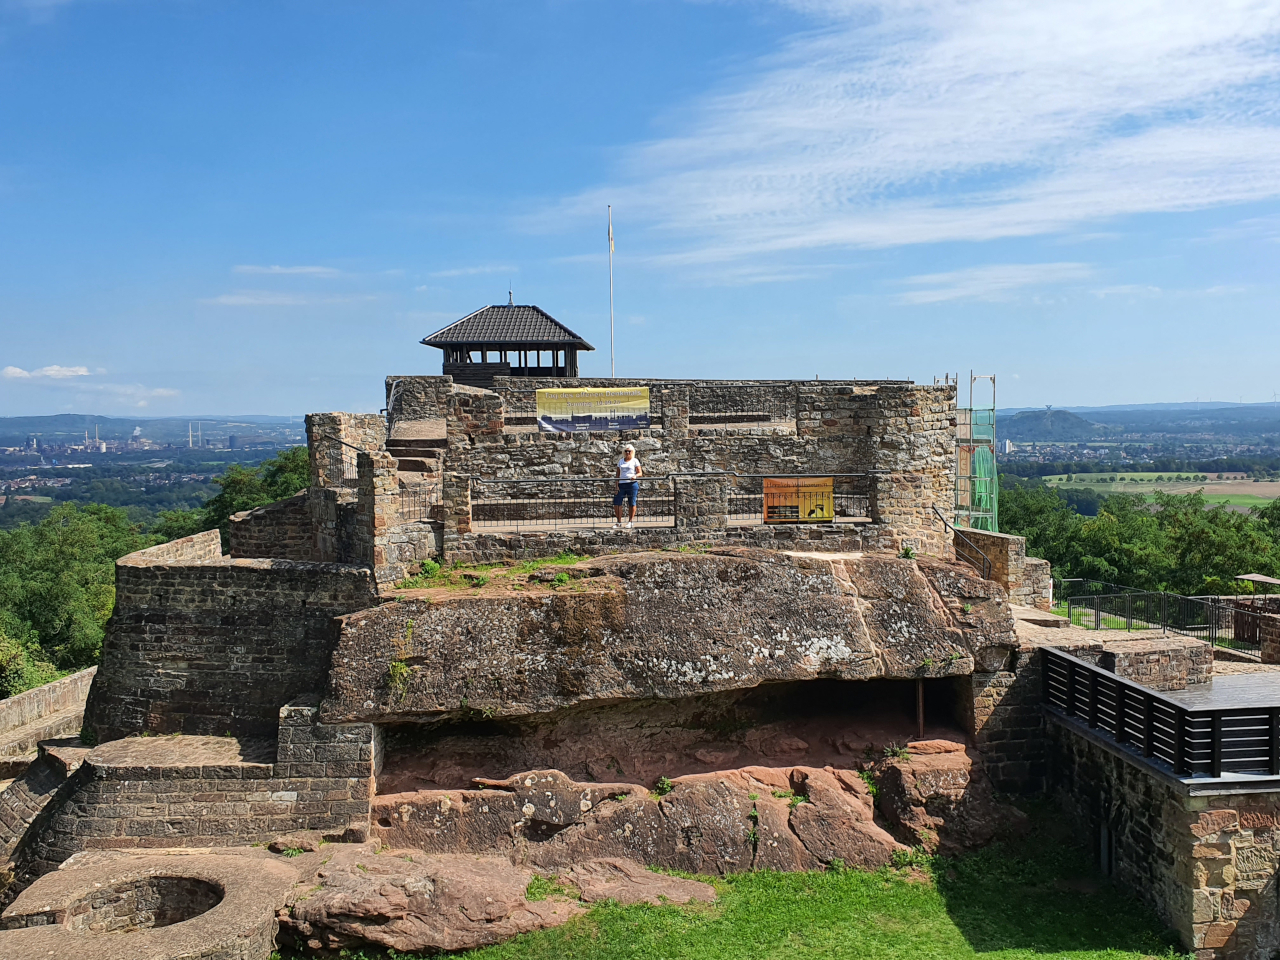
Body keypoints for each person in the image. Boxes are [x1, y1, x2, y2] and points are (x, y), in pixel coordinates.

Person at [613, 444, 643, 529]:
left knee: (632, 502)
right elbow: (617, 475)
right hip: (622, 484)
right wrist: (616, 486)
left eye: (629, 451)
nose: (627, 453)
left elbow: (640, 473)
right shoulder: (621, 461)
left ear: (632, 452)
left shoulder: (635, 461)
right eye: (626, 451)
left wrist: (635, 476)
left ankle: (630, 521)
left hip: (632, 484)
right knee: (617, 503)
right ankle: (619, 521)